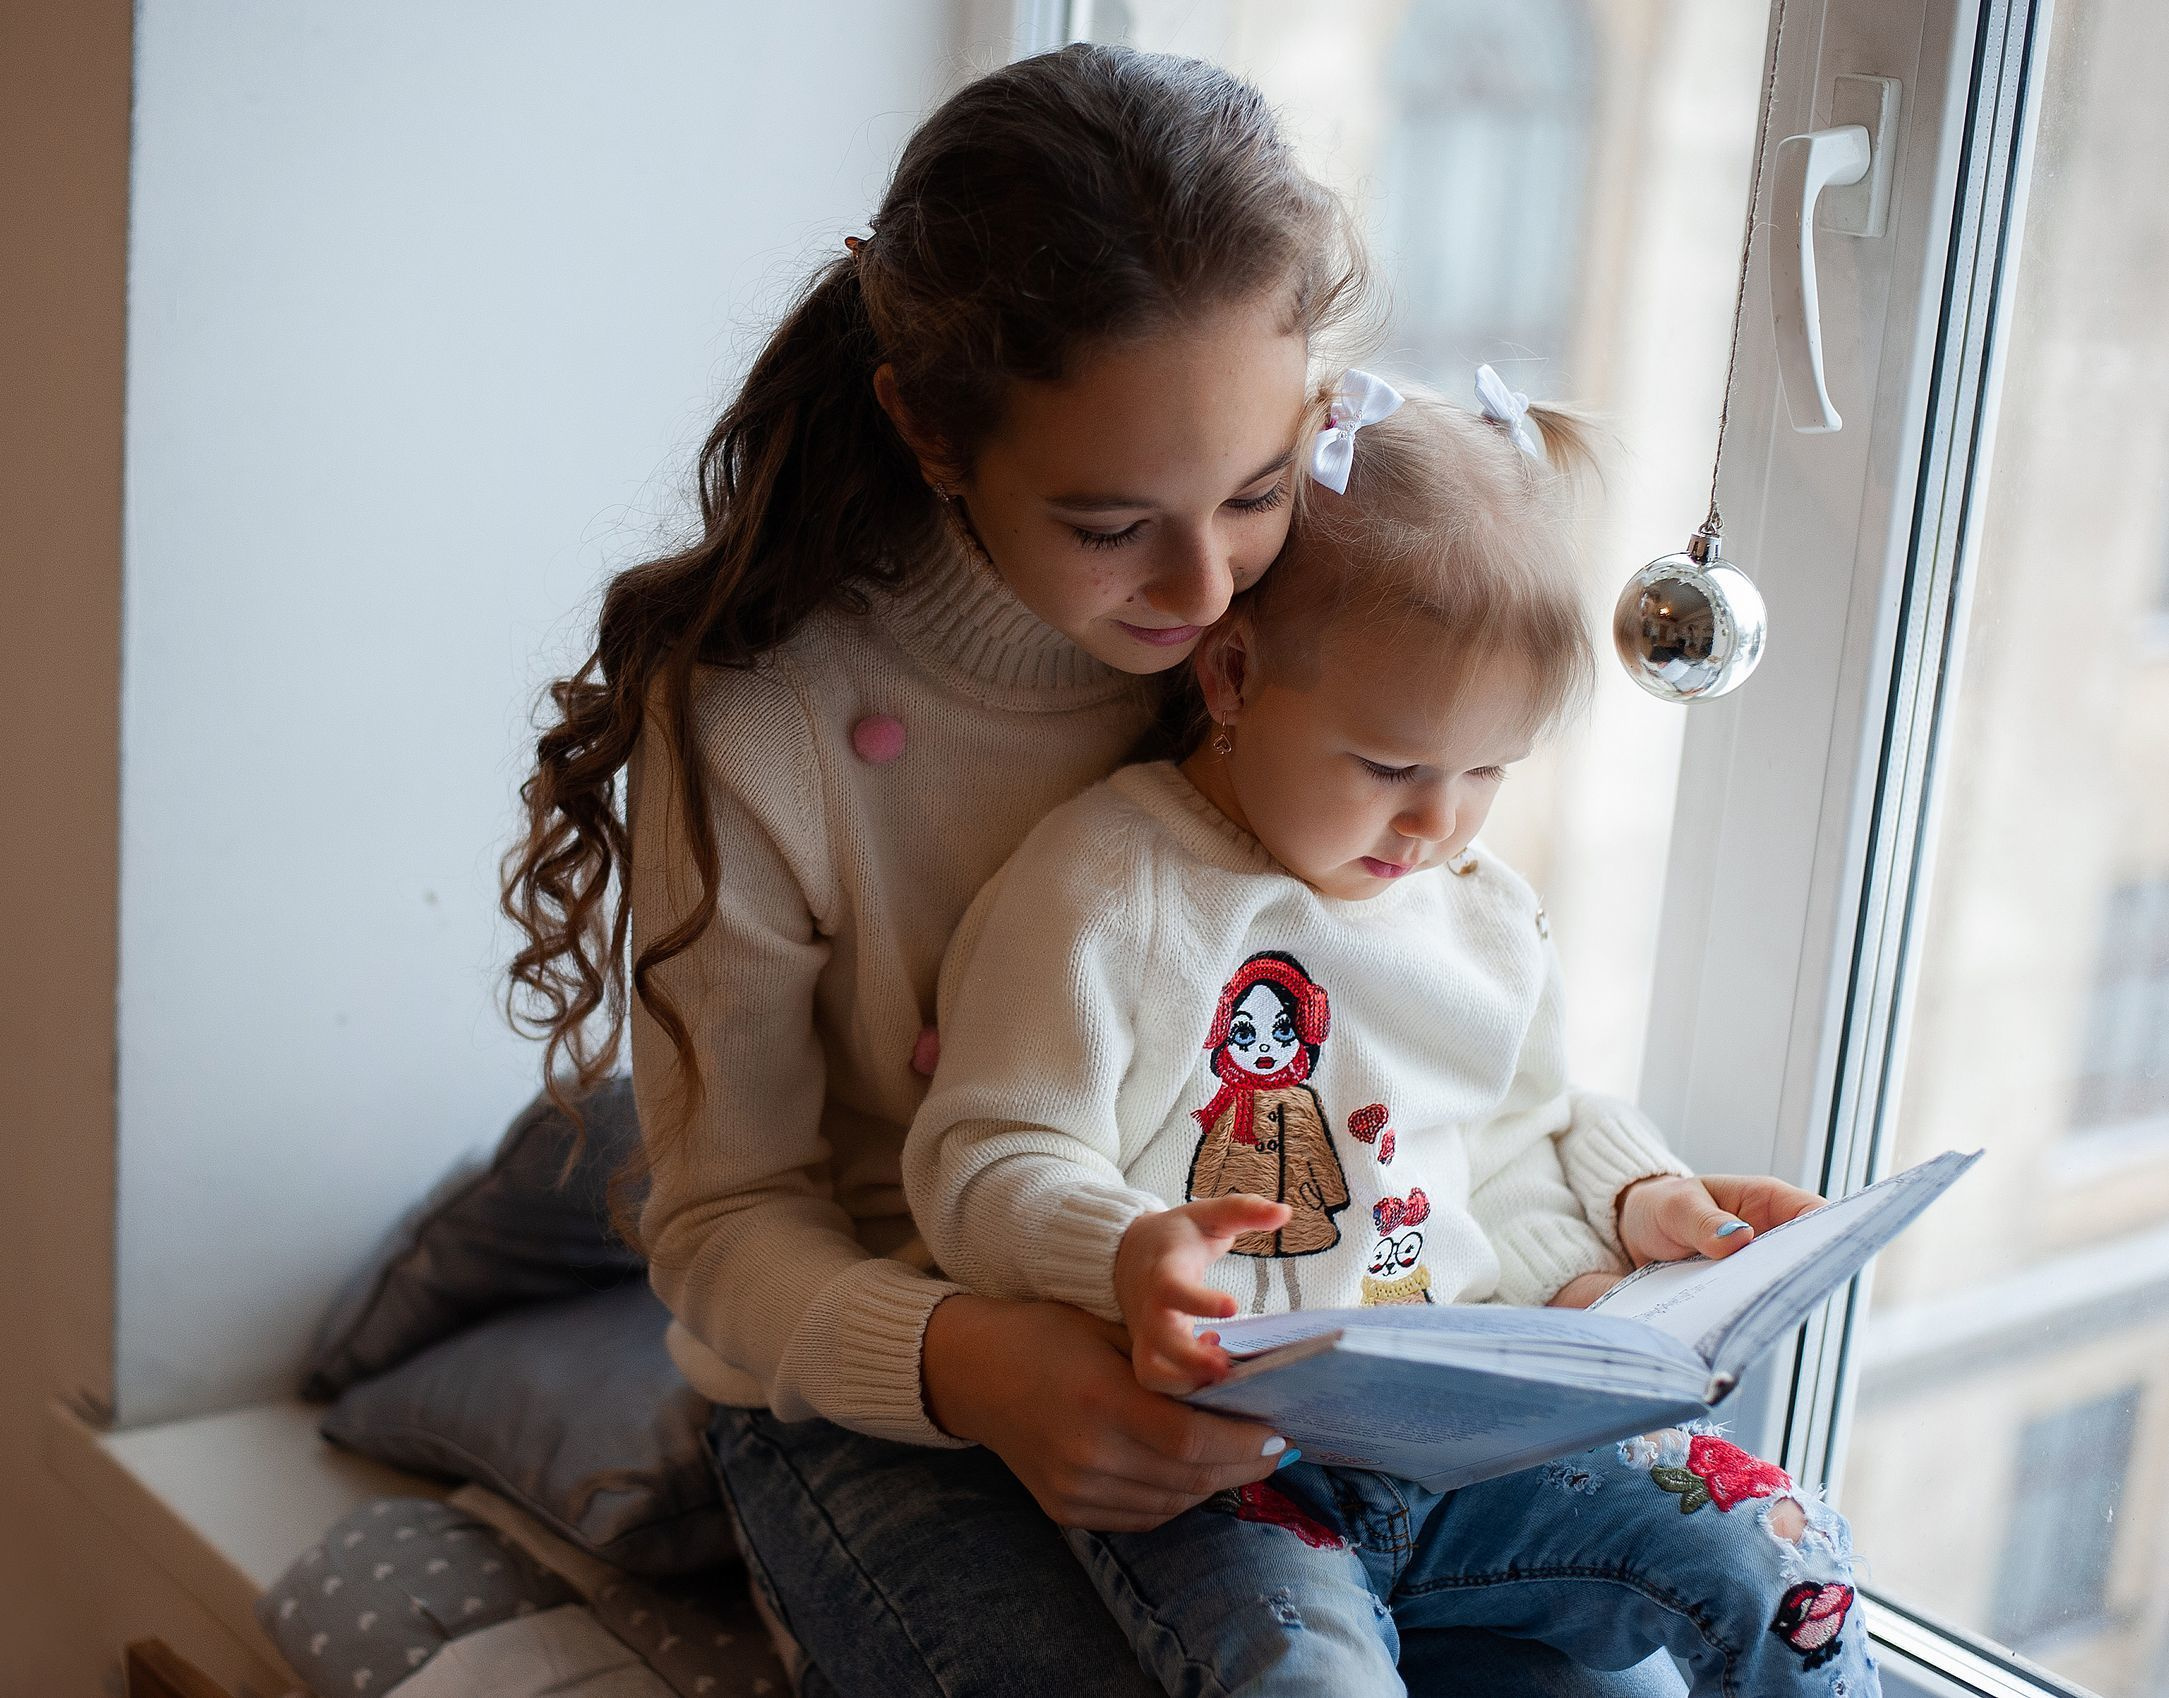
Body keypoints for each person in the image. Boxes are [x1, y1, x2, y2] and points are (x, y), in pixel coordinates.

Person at [507, 40, 1693, 1698]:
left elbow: (1449, 1000)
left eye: (1254, 489)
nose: (1203, 585)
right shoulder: (761, 720)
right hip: (893, 1391)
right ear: (927, 424)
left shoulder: (1317, 596)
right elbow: (721, 1223)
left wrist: (1629, 1193)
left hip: (1272, 1370)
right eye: (1106, 520)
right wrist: (973, 1360)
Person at [905, 370, 1871, 1696]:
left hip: (1476, 1451)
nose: (1440, 825)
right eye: (1392, 766)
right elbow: (977, 1158)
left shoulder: (1474, 912)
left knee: (1790, 1556)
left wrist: (1635, 1213)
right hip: (1221, 1467)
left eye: (1487, 771)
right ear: (1234, 673)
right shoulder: (1107, 888)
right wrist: (1123, 1250)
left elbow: (1520, 1134)